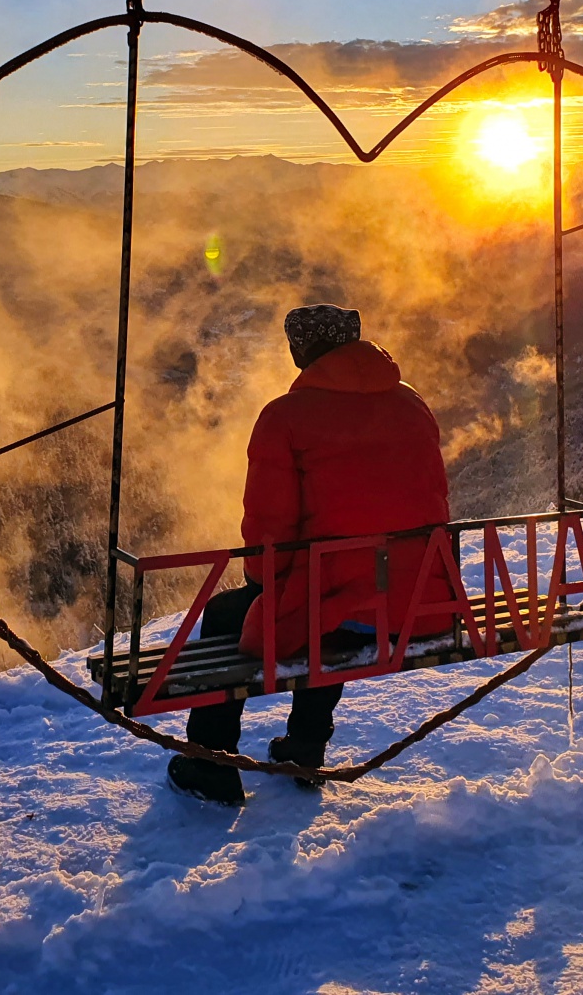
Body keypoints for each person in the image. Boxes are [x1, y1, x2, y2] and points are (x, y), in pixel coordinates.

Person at [168, 303, 453, 805]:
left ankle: (209, 762)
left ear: (301, 351)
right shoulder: (412, 403)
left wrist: (262, 583)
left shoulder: (284, 418)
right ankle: (304, 746)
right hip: (419, 599)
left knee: (242, 612)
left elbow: (268, 528)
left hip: (347, 601)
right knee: (329, 601)